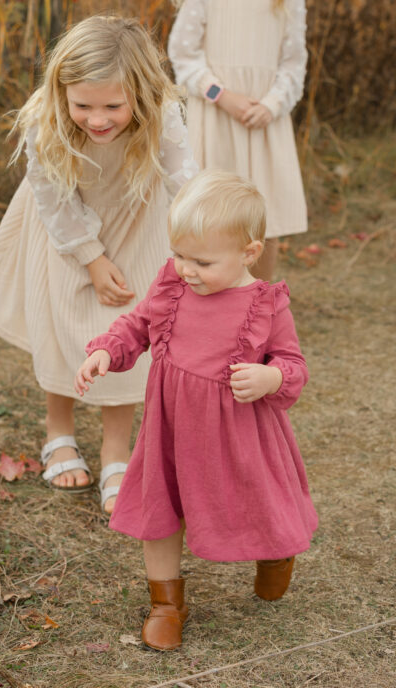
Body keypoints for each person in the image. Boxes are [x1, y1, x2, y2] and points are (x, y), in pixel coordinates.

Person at [75, 169, 317, 650]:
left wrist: (270, 377)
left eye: (202, 261)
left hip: (239, 434)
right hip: (171, 429)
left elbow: (293, 364)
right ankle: (166, 604)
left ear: (249, 252)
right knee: (160, 508)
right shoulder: (173, 288)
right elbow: (136, 326)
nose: (187, 269)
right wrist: (107, 350)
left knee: (255, 500)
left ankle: (275, 552)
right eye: (179, 254)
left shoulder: (265, 305)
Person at [0, 16, 198, 515]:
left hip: (136, 223)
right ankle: (60, 430)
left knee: (127, 330)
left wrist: (201, 238)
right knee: (63, 324)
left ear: (140, 92)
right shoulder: (46, 118)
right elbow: (51, 195)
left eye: (113, 106)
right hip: (65, 228)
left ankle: (116, 450)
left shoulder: (163, 114)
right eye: (83, 105)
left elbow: (184, 180)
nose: (97, 120)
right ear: (62, 92)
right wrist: (90, 257)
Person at [168, 0, 308, 283]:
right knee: (209, 218)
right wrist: (222, 96)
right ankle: (206, 301)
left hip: (265, 124)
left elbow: (294, 63)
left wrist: (272, 105)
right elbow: (183, 55)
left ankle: (258, 303)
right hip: (217, 119)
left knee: (265, 221)